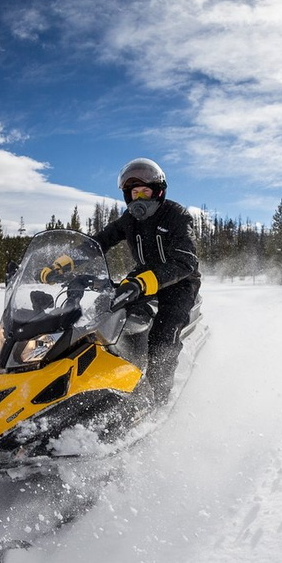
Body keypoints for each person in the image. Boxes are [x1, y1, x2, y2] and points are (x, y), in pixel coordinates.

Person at [92, 157, 201, 405]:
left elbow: (186, 261)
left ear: (158, 191)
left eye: (145, 191)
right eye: (134, 193)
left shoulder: (176, 216)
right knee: (105, 317)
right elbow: (101, 241)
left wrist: (145, 281)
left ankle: (159, 398)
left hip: (179, 281)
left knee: (163, 337)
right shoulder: (129, 220)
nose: (139, 198)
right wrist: (67, 261)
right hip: (143, 276)